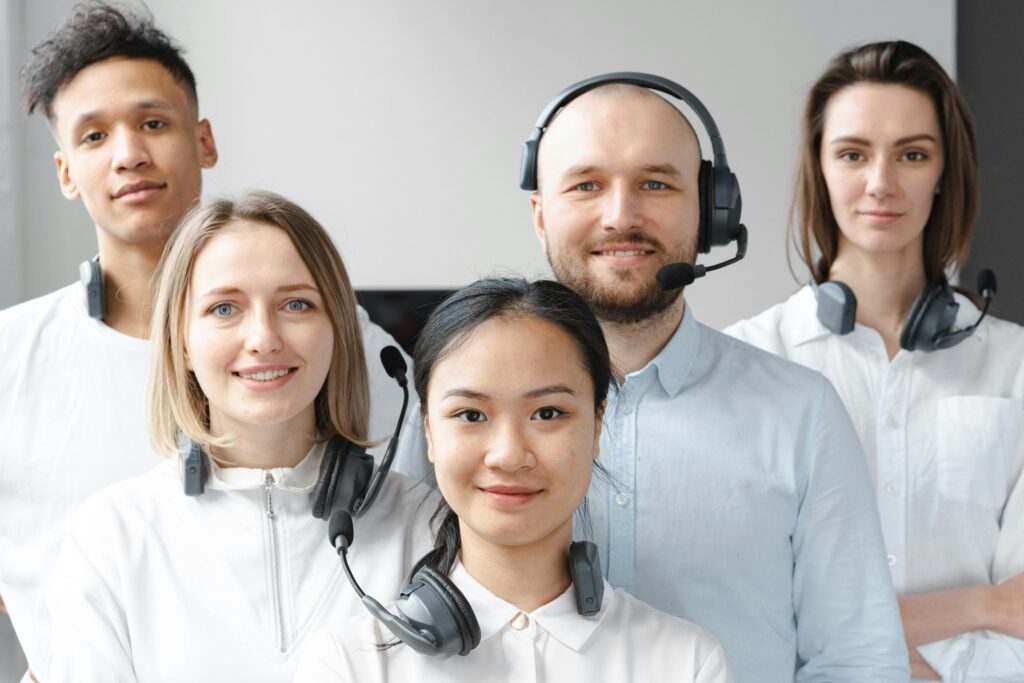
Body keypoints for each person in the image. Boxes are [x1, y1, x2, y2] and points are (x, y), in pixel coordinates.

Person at [398, 76, 909, 682]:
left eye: (656, 183)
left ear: (711, 210)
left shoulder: (801, 412)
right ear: (540, 215)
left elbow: (859, 662)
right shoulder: (451, 409)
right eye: (587, 185)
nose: (622, 215)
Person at [0, 4, 413, 676]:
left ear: (204, 141)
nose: (130, 153)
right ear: (66, 172)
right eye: (95, 136)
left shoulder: (339, 348)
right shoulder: (10, 358)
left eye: (153, 123)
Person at [44, 191, 436, 682]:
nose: (263, 338)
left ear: (335, 328)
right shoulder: (112, 537)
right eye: (224, 309)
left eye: (296, 303)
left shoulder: (423, 524)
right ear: (181, 342)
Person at [725, 41, 1024, 681]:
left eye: (912, 154)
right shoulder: (748, 360)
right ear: (821, 167)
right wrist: (982, 605)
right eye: (853, 154)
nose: (881, 183)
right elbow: (752, 612)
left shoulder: (1017, 365)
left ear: (944, 171)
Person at [296, 276, 732, 682]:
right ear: (428, 430)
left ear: (597, 426)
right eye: (471, 415)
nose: (508, 455)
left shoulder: (684, 663)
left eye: (547, 413)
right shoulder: (350, 664)